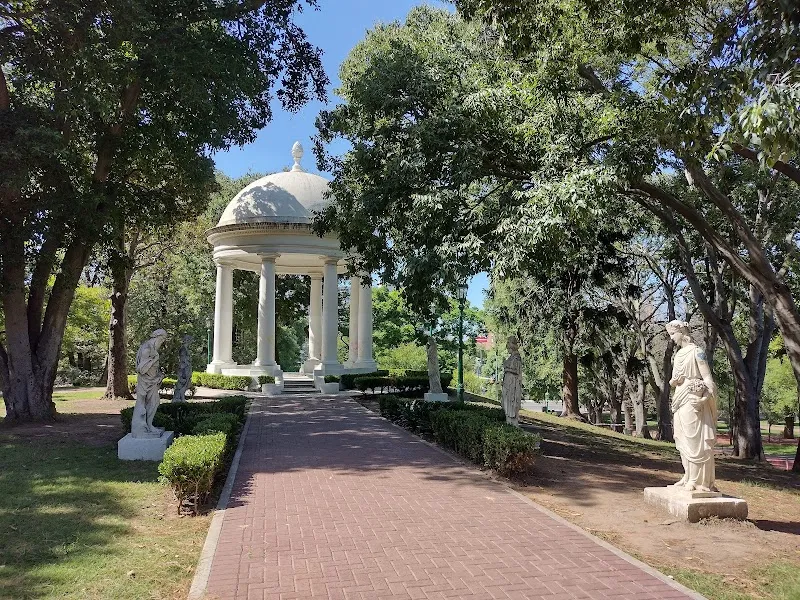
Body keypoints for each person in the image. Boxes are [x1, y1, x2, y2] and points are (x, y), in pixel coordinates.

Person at [666, 320, 718, 492]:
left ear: (682, 332)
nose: (672, 338)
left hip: (693, 398)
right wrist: (674, 381)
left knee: (694, 441)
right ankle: (688, 475)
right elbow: (673, 381)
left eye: (673, 334)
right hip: (680, 398)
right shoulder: (678, 355)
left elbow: (708, 379)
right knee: (681, 439)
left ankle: (697, 481)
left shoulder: (697, 352)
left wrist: (704, 399)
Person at [131, 329, 168, 438]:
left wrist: (159, 375)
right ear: (158, 337)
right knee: (145, 404)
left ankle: (148, 425)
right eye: (163, 339)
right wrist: (155, 359)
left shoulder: (152, 348)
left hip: (152, 381)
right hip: (146, 383)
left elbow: (151, 368)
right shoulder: (147, 349)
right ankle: (141, 428)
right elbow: (141, 369)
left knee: (154, 403)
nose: (162, 342)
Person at [501, 336, 523, 425]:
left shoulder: (517, 358)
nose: (508, 350)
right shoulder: (511, 357)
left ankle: (512, 424)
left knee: (511, 403)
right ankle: (509, 423)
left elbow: (517, 371)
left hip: (512, 384)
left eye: (509, 348)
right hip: (508, 383)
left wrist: (507, 369)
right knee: (506, 403)